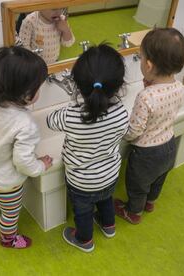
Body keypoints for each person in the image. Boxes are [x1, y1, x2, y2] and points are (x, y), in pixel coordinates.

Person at [46, 44, 128, 252]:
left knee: (83, 212)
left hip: (81, 181)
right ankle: (109, 226)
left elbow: (49, 121)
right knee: (105, 200)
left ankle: (84, 240)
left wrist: (72, 106)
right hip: (109, 174)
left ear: (78, 85)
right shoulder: (121, 113)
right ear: (118, 85)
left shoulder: (71, 116)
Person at [0, 46, 53, 248]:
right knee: (10, 212)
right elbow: (23, 162)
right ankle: (8, 238)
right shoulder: (25, 124)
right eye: (38, 87)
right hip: (7, 183)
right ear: (25, 93)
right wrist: (41, 166)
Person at [114, 28, 184, 224]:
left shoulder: (145, 96)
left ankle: (133, 212)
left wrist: (121, 133)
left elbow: (134, 131)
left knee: (138, 185)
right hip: (169, 145)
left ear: (147, 64)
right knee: (158, 179)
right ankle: (150, 203)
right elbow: (166, 110)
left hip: (147, 154)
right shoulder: (179, 86)